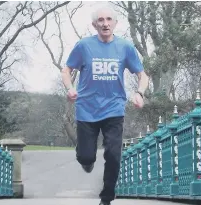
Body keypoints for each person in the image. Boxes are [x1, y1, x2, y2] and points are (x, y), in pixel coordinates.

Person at [61, 6, 149, 205]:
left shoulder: (125, 47)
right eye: (100, 20)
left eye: (109, 19)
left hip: (114, 108)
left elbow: (142, 75)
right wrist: (69, 87)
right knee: (85, 156)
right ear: (94, 25)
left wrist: (139, 93)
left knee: (114, 155)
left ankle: (106, 198)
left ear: (115, 23)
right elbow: (66, 70)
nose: (105, 23)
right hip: (86, 109)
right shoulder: (84, 46)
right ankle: (87, 161)